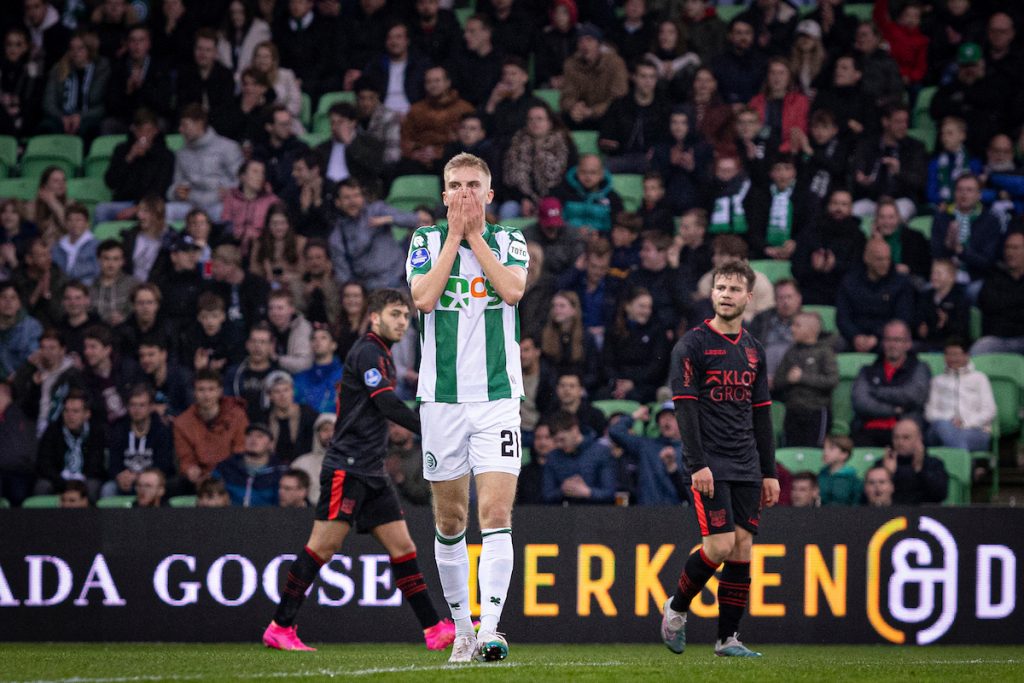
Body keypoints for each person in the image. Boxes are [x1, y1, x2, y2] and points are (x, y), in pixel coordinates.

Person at [262, 288, 456, 653]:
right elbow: (385, 403)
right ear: (375, 317)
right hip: (348, 468)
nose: (403, 322)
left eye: (405, 316)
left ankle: (434, 629)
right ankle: (280, 626)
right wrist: (429, 429)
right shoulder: (368, 351)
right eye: (395, 314)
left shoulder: (381, 355)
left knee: (403, 547)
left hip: (371, 470)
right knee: (323, 546)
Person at [406, 152, 529, 663]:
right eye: (455, 185)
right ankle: (461, 629)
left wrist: (474, 235)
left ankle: (490, 629)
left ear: (489, 194)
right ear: (443, 195)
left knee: (496, 512)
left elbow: (513, 290)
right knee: (452, 519)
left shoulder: (510, 239)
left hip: (498, 398)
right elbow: (423, 298)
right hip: (442, 400)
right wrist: (454, 236)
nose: (463, 193)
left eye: (473, 185)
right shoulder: (425, 240)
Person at [661, 259, 779, 658]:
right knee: (720, 545)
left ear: (749, 297)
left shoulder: (753, 350)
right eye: (721, 288)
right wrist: (698, 464)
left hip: (746, 462)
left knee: (743, 547)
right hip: (709, 461)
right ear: (712, 293)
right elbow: (685, 409)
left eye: (734, 289)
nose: (726, 295)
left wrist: (769, 472)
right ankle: (676, 608)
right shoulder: (691, 345)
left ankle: (728, 638)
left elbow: (761, 414)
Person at [328, 179, 427, 292]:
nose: (352, 201)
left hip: (401, 279)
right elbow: (344, 275)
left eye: (356, 195)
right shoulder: (337, 236)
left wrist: (388, 219)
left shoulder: (377, 210)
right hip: (371, 289)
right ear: (338, 202)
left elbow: (413, 219)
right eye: (347, 197)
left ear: (363, 197)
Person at [851, 319, 931, 447]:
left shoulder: (920, 368)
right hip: (868, 430)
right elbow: (861, 402)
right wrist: (895, 410)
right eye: (888, 340)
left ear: (908, 343)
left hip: (904, 432)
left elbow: (914, 396)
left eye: (897, 340)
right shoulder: (867, 370)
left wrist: (877, 391)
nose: (892, 345)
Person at [165, 104, 244, 222]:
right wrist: (176, 192)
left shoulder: (228, 147)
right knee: (166, 211)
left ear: (199, 124)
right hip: (191, 205)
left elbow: (242, 181)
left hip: (218, 205)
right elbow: (175, 185)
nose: (180, 129)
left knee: (229, 211)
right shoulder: (181, 153)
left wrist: (229, 191)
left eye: (185, 125)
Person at [836, 239, 915, 353]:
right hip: (854, 337)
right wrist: (855, 336)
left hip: (887, 338)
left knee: (899, 346)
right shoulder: (850, 281)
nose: (885, 263)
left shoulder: (901, 283)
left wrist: (877, 337)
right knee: (833, 345)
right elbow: (843, 317)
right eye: (879, 259)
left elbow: (903, 317)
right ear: (867, 258)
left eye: (888, 259)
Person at [173, 368, 248, 487]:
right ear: (194, 392)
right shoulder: (182, 423)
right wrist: (191, 469)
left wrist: (220, 475)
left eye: (211, 389)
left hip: (231, 476)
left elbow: (240, 451)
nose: (206, 395)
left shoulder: (237, 416)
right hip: (199, 480)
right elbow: (186, 458)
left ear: (220, 391)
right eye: (201, 390)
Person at [772, 311, 838, 447]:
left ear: (811, 329)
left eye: (797, 325)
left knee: (814, 450)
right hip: (792, 410)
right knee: (790, 450)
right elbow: (777, 381)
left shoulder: (825, 352)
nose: (792, 329)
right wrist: (788, 379)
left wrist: (803, 377)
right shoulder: (791, 352)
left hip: (817, 411)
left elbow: (832, 380)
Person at [102, 384, 174, 498]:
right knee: (108, 489)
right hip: (125, 481)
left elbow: (164, 465)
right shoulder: (119, 429)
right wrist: (119, 476)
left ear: (151, 407)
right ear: (127, 406)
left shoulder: (161, 430)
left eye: (142, 405)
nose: (137, 409)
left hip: (150, 481)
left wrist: (139, 477)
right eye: (133, 405)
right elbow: (113, 463)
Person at [924, 337, 995, 452]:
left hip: (975, 430)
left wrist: (965, 422)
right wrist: (950, 421)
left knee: (956, 437)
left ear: (966, 355)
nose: (952, 359)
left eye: (956, 354)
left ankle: (959, 457)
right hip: (942, 429)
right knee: (943, 427)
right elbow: (930, 412)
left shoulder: (979, 378)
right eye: (949, 354)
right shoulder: (937, 381)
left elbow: (989, 411)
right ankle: (964, 460)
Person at [608, 403, 687, 506]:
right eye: (662, 417)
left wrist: (673, 469)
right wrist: (635, 416)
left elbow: (691, 494)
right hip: (646, 510)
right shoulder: (645, 445)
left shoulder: (690, 451)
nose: (666, 421)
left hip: (676, 511)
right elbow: (615, 431)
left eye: (672, 417)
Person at [35, 389, 105, 499]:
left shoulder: (96, 432)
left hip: (85, 479)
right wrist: (62, 482)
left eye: (75, 411)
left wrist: (79, 482)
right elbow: (44, 464)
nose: (70, 415)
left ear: (87, 414)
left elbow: (97, 465)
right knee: (42, 487)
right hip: (58, 480)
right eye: (66, 411)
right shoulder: (53, 431)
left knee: (93, 487)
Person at [560, 22, 629, 130]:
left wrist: (593, 111)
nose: (585, 45)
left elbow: (619, 98)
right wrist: (574, 107)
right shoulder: (571, 64)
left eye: (589, 40)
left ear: (599, 44)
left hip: (606, 114)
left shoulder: (615, 63)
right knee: (562, 118)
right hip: (581, 115)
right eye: (580, 41)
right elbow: (567, 95)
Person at [542, 409, 616, 505]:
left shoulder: (601, 452)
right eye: (555, 441)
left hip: (596, 511)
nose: (559, 445)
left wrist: (587, 492)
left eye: (562, 439)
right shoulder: (553, 456)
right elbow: (546, 495)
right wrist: (563, 490)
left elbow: (610, 493)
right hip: (563, 511)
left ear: (575, 430)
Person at [972, 231, 1024, 355]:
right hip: (997, 338)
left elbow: (999, 305)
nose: (1010, 252)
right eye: (1007, 248)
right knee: (979, 349)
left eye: (1015, 248)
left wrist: (1006, 303)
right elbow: (988, 304)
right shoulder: (994, 275)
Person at [884, 418, 949, 505]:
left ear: (919, 438)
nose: (900, 442)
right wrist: (888, 474)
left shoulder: (933, 464)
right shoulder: (884, 464)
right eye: (896, 437)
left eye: (906, 437)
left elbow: (940, 495)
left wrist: (919, 470)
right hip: (891, 511)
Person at [264, 370, 316, 463]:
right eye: (277, 391)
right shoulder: (264, 417)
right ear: (270, 396)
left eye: (286, 390)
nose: (282, 395)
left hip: (303, 464)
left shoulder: (308, 414)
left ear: (292, 391)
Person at [0, 379, 37, 506]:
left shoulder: (22, 410)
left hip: (20, 471)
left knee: (18, 495)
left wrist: (34, 383)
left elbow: (32, 397)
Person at [0, 279, 42, 380]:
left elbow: (33, 358)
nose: (8, 302)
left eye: (13, 298)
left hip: (23, 380)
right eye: (3, 297)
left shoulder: (32, 327)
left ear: (19, 303)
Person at [89, 241, 137, 327]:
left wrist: (124, 318)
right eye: (106, 259)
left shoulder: (134, 285)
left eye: (116, 259)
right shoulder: (89, 286)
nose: (111, 264)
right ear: (98, 260)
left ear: (122, 261)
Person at [817, 434, 860, 506]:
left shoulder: (853, 481)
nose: (825, 452)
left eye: (831, 448)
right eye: (824, 448)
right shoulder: (820, 476)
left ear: (844, 454)